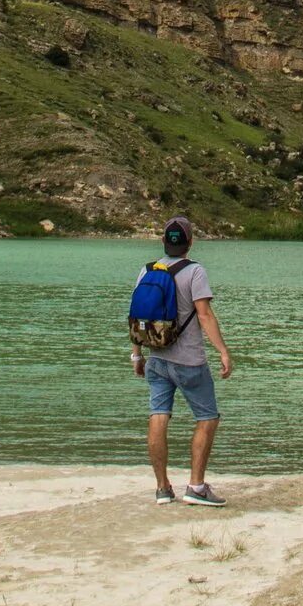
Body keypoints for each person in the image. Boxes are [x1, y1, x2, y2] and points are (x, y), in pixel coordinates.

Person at [131, 215, 233, 506]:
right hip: (189, 362)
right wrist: (223, 351)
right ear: (190, 242)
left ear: (163, 241)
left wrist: (136, 355)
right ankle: (196, 487)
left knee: (158, 415)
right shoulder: (195, 271)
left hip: (156, 358)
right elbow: (204, 315)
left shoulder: (147, 270)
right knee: (207, 418)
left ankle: (163, 488)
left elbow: (138, 317)